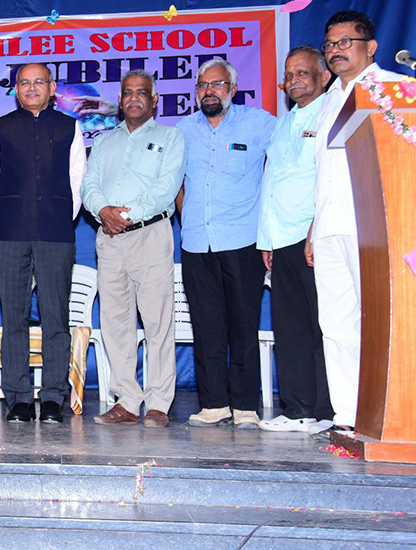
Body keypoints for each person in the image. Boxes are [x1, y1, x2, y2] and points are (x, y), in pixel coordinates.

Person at [309, 11, 401, 437]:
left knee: (378, 320)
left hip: (373, 226)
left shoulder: (392, 90)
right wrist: (314, 228)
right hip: (330, 226)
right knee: (336, 323)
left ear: (371, 47)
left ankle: (386, 412)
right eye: (330, 45)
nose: (335, 51)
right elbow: (324, 171)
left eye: (345, 42)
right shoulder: (329, 98)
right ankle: (348, 413)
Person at [0, 63, 86, 424]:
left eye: (38, 82)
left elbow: (77, 180)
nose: (31, 88)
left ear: (51, 88)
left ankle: (54, 396)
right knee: (14, 316)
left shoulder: (70, 127)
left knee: (56, 316)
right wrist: (9, 217)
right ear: (16, 90)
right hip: (10, 231)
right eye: (24, 82)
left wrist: (58, 216)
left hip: (56, 232)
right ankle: (18, 398)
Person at [176, 57, 276, 429]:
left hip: (243, 241)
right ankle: (214, 404)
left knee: (243, 325)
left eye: (217, 84)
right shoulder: (183, 129)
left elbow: (285, 167)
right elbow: (175, 183)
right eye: (202, 85)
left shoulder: (259, 123)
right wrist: (188, 215)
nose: (209, 91)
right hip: (196, 242)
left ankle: (245, 406)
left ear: (232, 89)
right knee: (206, 327)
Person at [83, 70, 184, 428]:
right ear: (120, 100)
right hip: (109, 239)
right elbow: (89, 185)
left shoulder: (171, 137)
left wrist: (124, 216)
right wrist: (103, 211)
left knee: (157, 322)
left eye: (142, 92)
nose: (134, 98)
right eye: (128, 92)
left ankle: (158, 402)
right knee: (115, 322)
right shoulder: (103, 141)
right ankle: (126, 400)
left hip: (150, 235)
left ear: (154, 99)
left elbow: (166, 187)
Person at [256, 47, 335, 434]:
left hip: (313, 237)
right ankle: (297, 408)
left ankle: (328, 411)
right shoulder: (283, 123)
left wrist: (315, 231)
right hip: (281, 240)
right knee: (290, 328)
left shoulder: (332, 114)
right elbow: (273, 181)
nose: (294, 80)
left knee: (323, 326)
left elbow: (332, 180)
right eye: (289, 75)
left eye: (303, 72)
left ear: (324, 76)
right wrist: (267, 240)